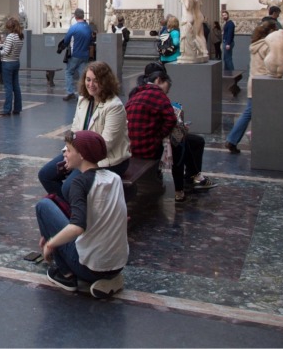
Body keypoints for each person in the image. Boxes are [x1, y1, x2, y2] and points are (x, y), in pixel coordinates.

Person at [35, 130, 127, 299]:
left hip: (89, 268)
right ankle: (110, 279)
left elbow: (77, 227)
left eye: (69, 150)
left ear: (82, 155)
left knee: (43, 206)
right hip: (117, 264)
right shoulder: (114, 178)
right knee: (58, 211)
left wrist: (50, 244)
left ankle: (66, 275)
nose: (64, 153)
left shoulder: (79, 183)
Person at [38, 61, 131, 202]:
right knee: (45, 175)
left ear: (105, 82)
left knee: (69, 187)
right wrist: (68, 152)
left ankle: (77, 212)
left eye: (96, 80)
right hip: (80, 154)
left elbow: (106, 145)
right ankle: (71, 209)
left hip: (107, 160)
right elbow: (75, 131)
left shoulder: (114, 106)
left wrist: (77, 159)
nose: (91, 84)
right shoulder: (84, 100)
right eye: (88, 79)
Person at [125, 63, 215, 203]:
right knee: (178, 140)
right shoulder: (157, 94)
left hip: (134, 145)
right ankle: (181, 189)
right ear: (159, 80)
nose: (167, 92)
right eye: (168, 86)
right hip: (148, 147)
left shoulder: (136, 92)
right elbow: (171, 120)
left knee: (181, 137)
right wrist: (161, 135)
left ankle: (193, 177)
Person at [224, 21, 279, 153]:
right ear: (271, 32)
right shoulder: (267, 46)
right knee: (250, 112)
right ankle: (233, 139)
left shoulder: (255, 44)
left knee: (253, 112)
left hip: (254, 81)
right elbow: (273, 65)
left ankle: (243, 138)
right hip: (262, 82)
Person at [61, 9, 92, 101]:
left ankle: (70, 92)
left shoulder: (74, 27)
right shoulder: (88, 27)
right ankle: (83, 93)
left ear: (75, 16)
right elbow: (91, 40)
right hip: (85, 54)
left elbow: (66, 40)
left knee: (68, 72)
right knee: (82, 74)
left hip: (75, 54)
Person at [0, 16, 23, 115]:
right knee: (16, 86)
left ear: (10, 27)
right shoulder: (20, 36)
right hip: (16, 62)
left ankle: (7, 109)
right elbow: (12, 48)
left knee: (8, 87)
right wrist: (3, 46)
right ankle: (17, 108)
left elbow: (6, 52)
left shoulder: (10, 36)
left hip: (7, 63)